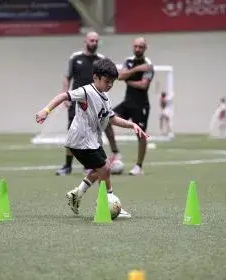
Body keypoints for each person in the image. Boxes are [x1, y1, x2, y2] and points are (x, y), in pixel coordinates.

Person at [36, 58, 148, 218]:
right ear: (95, 78)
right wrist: (45, 111)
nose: (109, 85)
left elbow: (112, 118)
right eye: (107, 81)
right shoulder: (86, 92)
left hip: (92, 141)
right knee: (105, 169)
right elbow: (63, 96)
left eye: (112, 82)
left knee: (101, 168)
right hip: (80, 141)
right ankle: (108, 201)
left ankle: (77, 194)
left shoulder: (105, 97)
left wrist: (132, 125)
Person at [56, 31, 120, 176]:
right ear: (85, 41)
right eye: (91, 40)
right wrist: (65, 96)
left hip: (97, 102)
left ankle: (102, 159)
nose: (94, 43)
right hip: (77, 100)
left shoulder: (101, 60)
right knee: (72, 131)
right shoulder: (75, 58)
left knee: (103, 127)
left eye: (96, 41)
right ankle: (67, 165)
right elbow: (67, 77)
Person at [104, 37, 154, 176]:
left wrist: (128, 79)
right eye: (136, 46)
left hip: (141, 105)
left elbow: (144, 85)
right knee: (106, 119)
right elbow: (120, 76)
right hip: (127, 102)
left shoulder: (148, 64)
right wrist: (136, 70)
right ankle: (115, 152)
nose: (138, 49)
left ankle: (138, 166)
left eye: (141, 47)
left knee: (141, 135)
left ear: (145, 48)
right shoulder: (129, 61)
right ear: (133, 47)